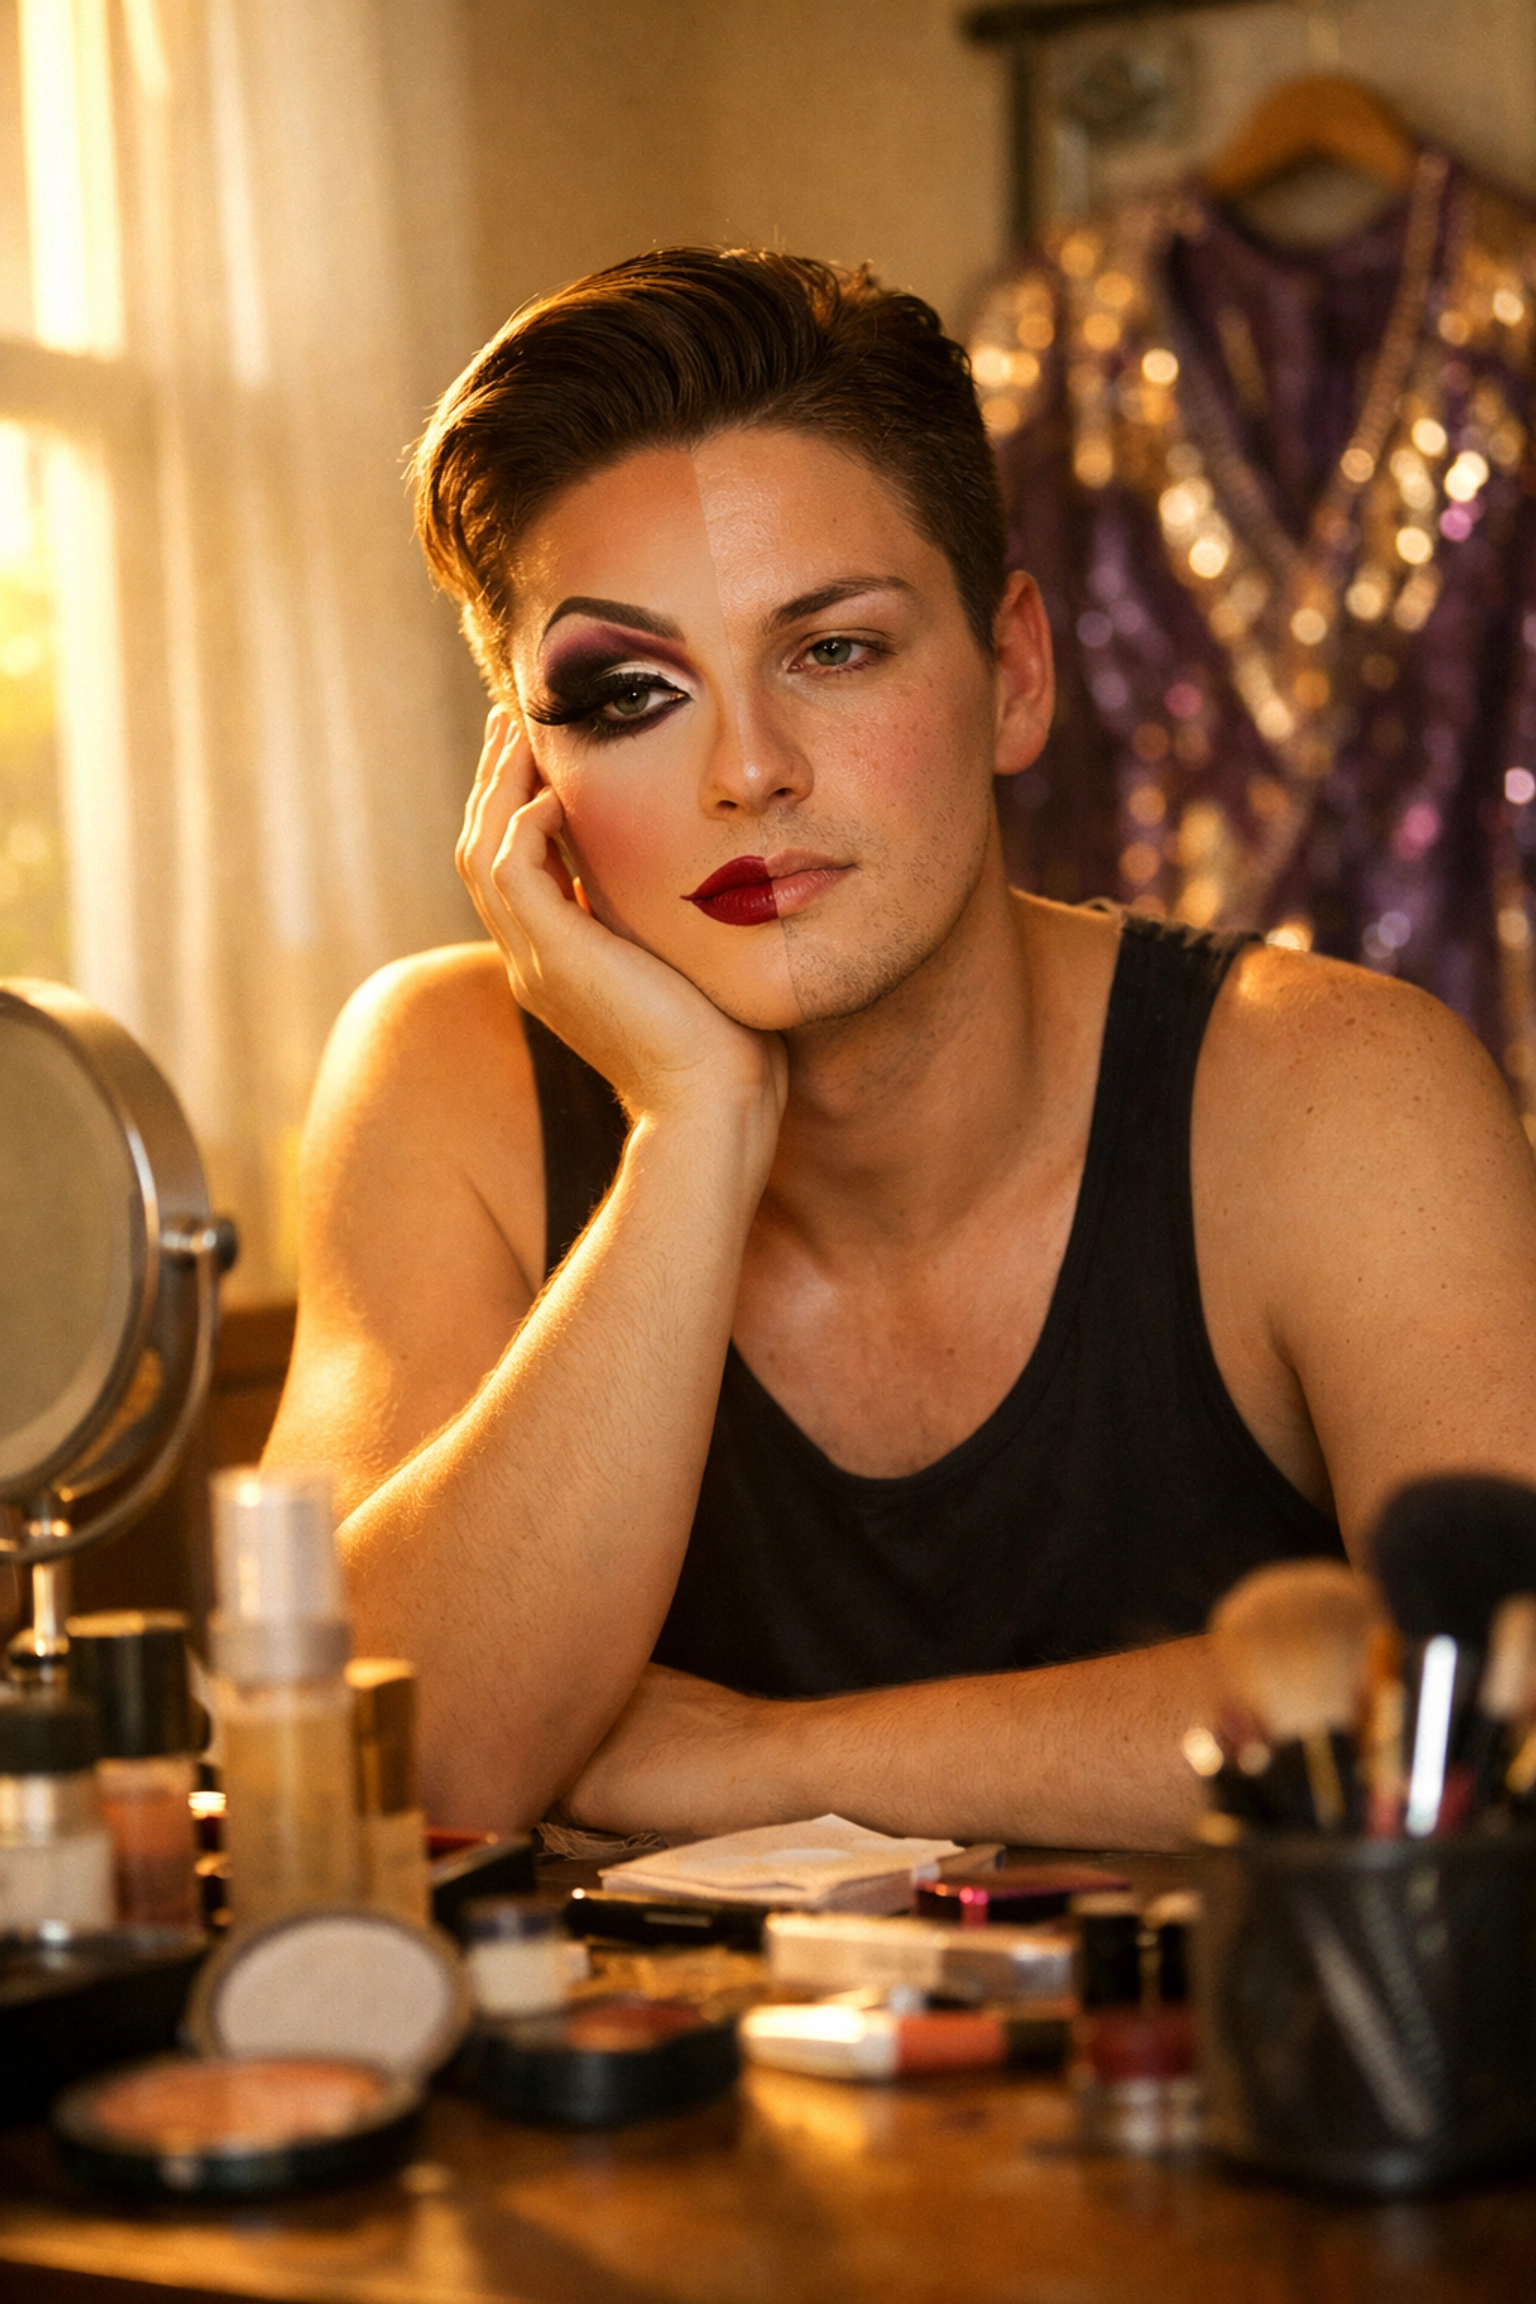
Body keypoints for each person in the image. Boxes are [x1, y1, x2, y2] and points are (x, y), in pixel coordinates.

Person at [263, 249, 1536, 1851]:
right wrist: (693, 1121)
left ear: (1012, 674)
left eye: (834, 650)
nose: (748, 770)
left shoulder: (1339, 1089)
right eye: (631, 695)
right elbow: (376, 1775)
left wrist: (753, 1762)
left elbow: (1493, 1705)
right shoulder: (445, 1077)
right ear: (526, 777)